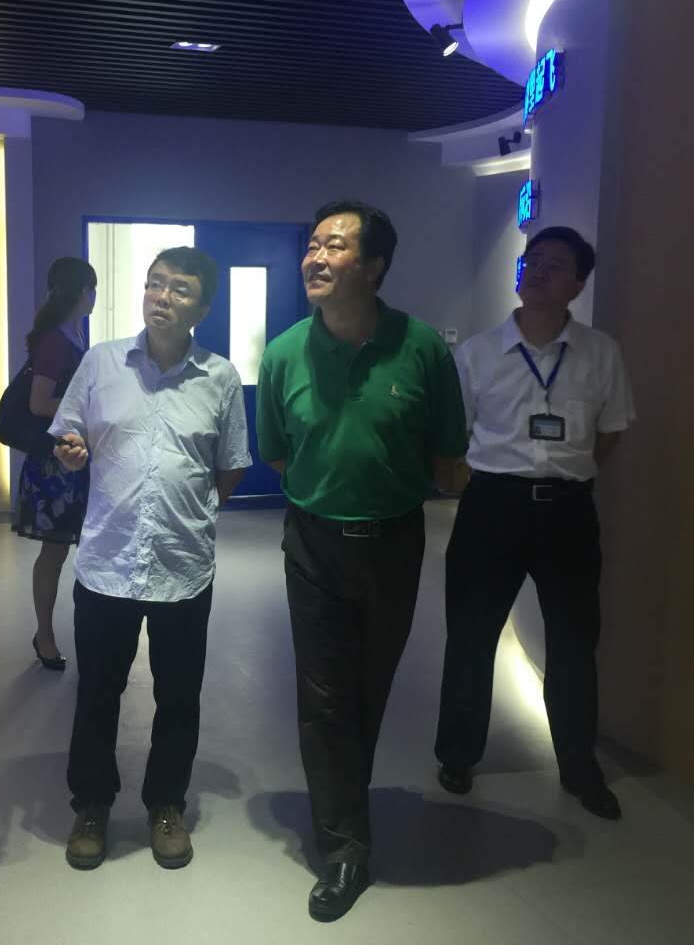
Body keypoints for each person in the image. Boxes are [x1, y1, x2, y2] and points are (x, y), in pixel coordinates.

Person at [256, 200, 468, 922]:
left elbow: (446, 457)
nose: (316, 257)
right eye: (313, 244)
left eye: (336, 246)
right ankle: (345, 845)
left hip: (394, 543)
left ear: (374, 268)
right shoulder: (283, 353)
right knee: (323, 696)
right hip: (312, 542)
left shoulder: (421, 349)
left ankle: (346, 802)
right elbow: (279, 453)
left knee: (368, 688)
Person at [50, 247, 250, 871]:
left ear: (202, 309)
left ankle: (166, 803)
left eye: (179, 289)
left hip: (182, 566)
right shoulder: (101, 362)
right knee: (97, 693)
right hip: (107, 561)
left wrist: (186, 512)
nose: (162, 296)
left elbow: (230, 468)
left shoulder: (219, 377)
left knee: (179, 696)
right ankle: (91, 804)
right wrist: (70, 451)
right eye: (155, 283)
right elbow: (66, 432)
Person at [434, 226, 634, 820]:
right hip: (492, 508)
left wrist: (567, 474)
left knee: (574, 642)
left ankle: (578, 766)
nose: (537, 271)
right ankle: (457, 754)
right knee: (471, 637)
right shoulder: (476, 354)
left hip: (568, 512)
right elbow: (454, 437)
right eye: (532, 260)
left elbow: (610, 433)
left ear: (578, 284)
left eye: (554, 265)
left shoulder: (601, 353)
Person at [11, 257, 97, 670]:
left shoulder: (72, 333)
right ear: (83, 292)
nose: (94, 297)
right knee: (55, 551)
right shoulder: (55, 341)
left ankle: (77, 632)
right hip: (55, 464)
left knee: (71, 550)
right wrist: (88, 405)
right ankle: (44, 634)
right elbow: (39, 403)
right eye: (92, 290)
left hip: (74, 458)